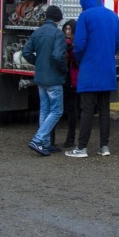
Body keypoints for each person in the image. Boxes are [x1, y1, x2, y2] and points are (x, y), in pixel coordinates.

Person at [66, 0, 119, 158]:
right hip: (107, 69)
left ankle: (82, 147)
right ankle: (104, 146)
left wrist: (81, 60)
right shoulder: (113, 15)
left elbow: (80, 43)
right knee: (104, 109)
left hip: (90, 70)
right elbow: (118, 43)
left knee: (87, 109)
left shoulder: (85, 16)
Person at [23, 5, 67, 156]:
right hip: (54, 78)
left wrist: (38, 63)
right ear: (59, 19)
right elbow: (57, 56)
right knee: (57, 111)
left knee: (45, 110)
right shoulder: (58, 34)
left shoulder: (37, 32)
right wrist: (64, 69)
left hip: (40, 77)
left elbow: (26, 52)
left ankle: (45, 143)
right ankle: (38, 139)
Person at [52, 20, 80, 149]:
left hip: (72, 81)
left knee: (72, 110)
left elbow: (78, 61)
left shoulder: (77, 44)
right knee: (55, 109)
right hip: (61, 79)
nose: (67, 32)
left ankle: (70, 138)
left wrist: (71, 51)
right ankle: (51, 139)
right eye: (65, 29)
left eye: (70, 30)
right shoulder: (61, 42)